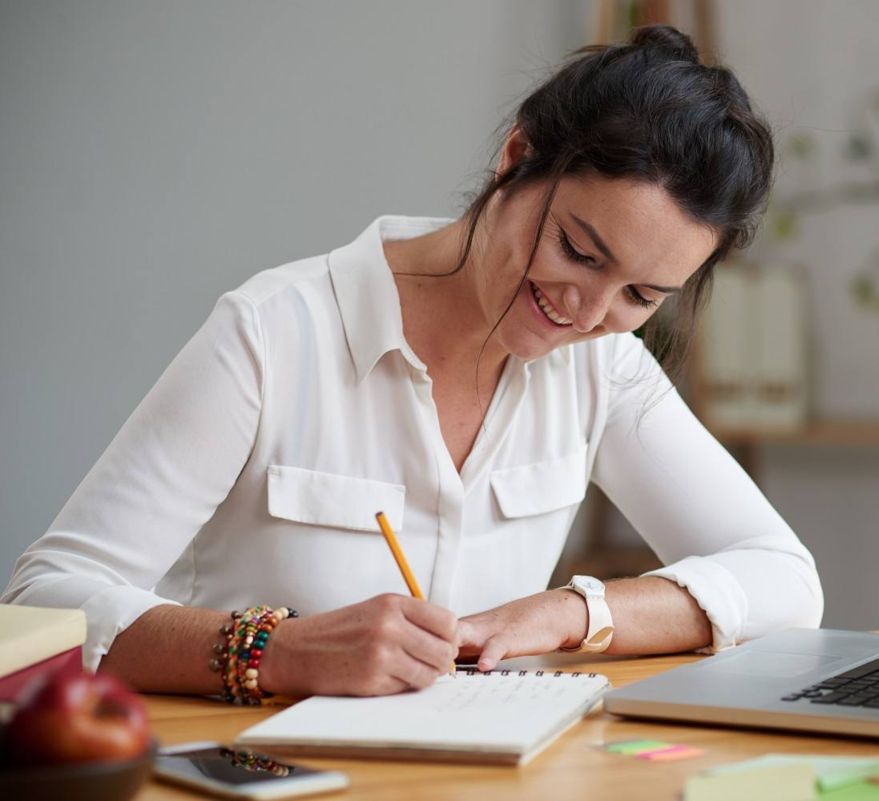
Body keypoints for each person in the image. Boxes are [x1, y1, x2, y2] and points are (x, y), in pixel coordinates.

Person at [2, 25, 822, 701]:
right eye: (577, 248)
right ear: (517, 156)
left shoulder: (603, 369)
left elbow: (785, 580)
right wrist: (281, 650)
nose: (589, 309)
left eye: (641, 294)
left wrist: (570, 614)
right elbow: (38, 605)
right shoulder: (275, 333)